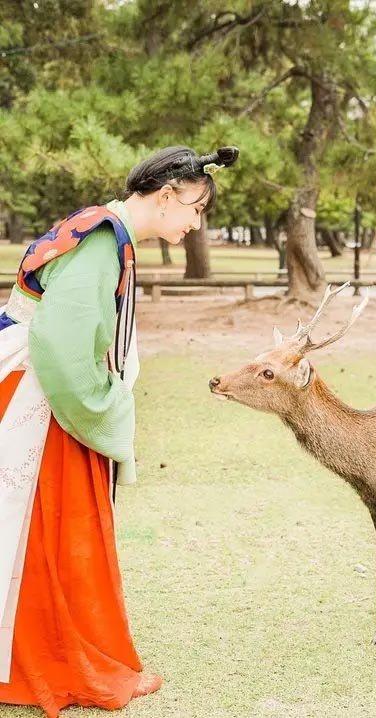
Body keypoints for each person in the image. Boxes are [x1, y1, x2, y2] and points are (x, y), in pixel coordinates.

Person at [0, 145, 239, 717]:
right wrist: (103, 403)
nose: (195, 222)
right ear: (166, 195)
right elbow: (59, 341)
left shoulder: (103, 229)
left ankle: (46, 651)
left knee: (39, 529)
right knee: (52, 528)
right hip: (46, 394)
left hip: (36, 385)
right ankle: (53, 660)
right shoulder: (104, 238)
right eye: (196, 208)